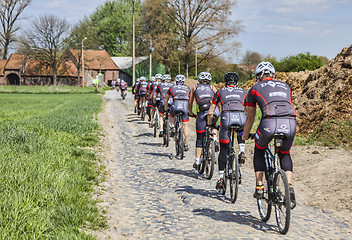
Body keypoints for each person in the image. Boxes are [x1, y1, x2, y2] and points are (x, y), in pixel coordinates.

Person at [241, 61, 296, 208]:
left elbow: (250, 117)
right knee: (285, 153)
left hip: (269, 124)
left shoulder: (253, 89)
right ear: (273, 75)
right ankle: (289, 185)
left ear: (257, 77)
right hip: (290, 123)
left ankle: (259, 186)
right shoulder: (286, 86)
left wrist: (245, 136)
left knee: (259, 148)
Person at [208, 72, 247, 190]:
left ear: (225, 83)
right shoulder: (243, 92)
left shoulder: (219, 92)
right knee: (241, 131)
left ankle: (220, 178)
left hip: (226, 118)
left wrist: (211, 124)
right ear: (237, 83)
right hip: (241, 117)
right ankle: (242, 151)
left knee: (224, 150)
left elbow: (211, 112)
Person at [188, 72, 220, 172]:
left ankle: (197, 161)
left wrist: (190, 112)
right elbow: (218, 101)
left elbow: (190, 101)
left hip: (201, 113)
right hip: (214, 111)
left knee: (200, 138)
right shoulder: (212, 87)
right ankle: (215, 138)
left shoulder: (195, 87)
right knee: (213, 124)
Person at [164, 75, 190, 151]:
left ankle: (172, 126)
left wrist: (166, 109)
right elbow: (190, 100)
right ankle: (186, 144)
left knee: (171, 115)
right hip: (185, 106)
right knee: (185, 126)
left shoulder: (172, 88)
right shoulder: (187, 88)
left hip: (175, 105)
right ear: (184, 82)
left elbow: (166, 100)